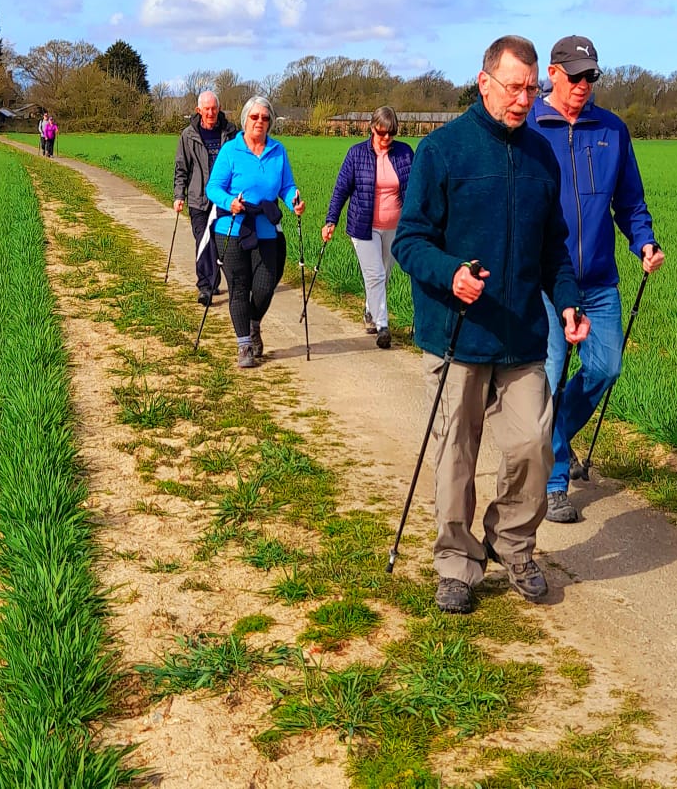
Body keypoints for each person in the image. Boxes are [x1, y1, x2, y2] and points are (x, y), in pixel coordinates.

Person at [393, 35, 589, 614]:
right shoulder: (444, 151)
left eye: (533, 88)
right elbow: (409, 241)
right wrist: (450, 272)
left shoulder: (540, 155)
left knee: (532, 443)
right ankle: (456, 563)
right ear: (484, 83)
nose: (524, 99)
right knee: (456, 452)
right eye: (514, 88)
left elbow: (554, 247)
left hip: (522, 335)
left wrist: (569, 300)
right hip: (457, 335)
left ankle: (511, 542)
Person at [527, 35, 665, 524]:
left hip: (600, 279)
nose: (585, 85)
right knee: (547, 374)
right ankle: (554, 479)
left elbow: (629, 201)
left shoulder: (611, 130)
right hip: (545, 280)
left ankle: (549, 436)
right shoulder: (528, 127)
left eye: (593, 77)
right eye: (577, 75)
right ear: (554, 72)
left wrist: (643, 241)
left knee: (606, 368)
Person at [204, 96, 304, 369]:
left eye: (265, 118)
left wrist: (294, 199)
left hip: (266, 228)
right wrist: (229, 203)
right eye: (255, 117)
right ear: (245, 120)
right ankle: (244, 345)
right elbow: (213, 188)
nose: (260, 122)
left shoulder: (277, 150)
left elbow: (286, 186)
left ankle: (253, 322)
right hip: (233, 228)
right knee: (239, 288)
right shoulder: (230, 151)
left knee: (265, 285)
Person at [322, 106, 414, 350]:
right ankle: (383, 326)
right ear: (372, 128)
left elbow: (415, 189)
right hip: (363, 227)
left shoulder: (405, 153)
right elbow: (341, 189)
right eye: (382, 133)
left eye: (391, 134)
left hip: (395, 226)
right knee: (375, 274)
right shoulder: (356, 154)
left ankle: (369, 311)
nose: (386, 139)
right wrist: (331, 220)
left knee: (384, 273)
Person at [174, 91, 238, 304]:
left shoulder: (231, 133)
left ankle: (215, 280)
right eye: (206, 109)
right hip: (198, 198)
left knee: (221, 242)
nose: (210, 112)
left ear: (219, 109)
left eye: (214, 108)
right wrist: (178, 195)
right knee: (203, 241)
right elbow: (181, 168)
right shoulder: (188, 135)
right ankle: (206, 286)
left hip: (224, 198)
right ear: (198, 110)